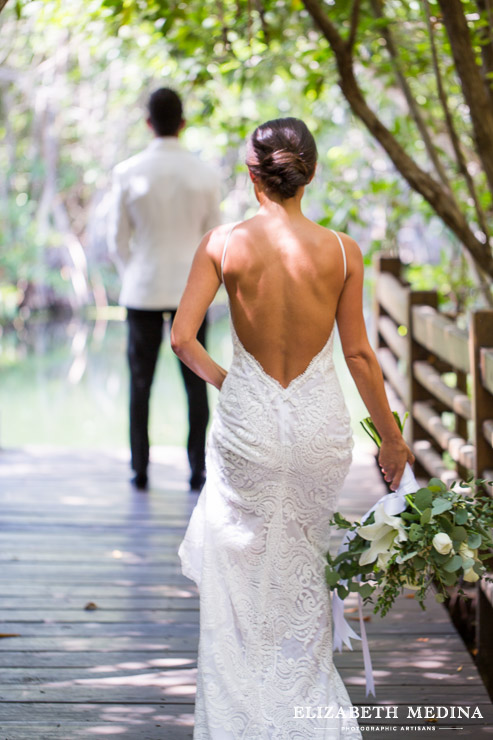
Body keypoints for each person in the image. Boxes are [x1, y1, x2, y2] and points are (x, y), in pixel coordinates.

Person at [171, 118, 414, 737]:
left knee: (238, 570)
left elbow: (182, 338)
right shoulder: (342, 251)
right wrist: (390, 436)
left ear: (252, 174)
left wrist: (235, 384)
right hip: (317, 429)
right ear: (308, 173)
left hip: (249, 426)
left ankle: (237, 719)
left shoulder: (222, 244)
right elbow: (359, 356)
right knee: (303, 563)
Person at [107, 88, 221, 492]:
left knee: (141, 384)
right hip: (193, 290)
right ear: (184, 123)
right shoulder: (205, 174)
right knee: (197, 384)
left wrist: (134, 271)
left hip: (143, 289)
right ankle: (198, 471)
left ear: (148, 123)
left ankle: (140, 470)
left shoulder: (127, 172)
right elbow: (214, 240)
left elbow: (116, 242)